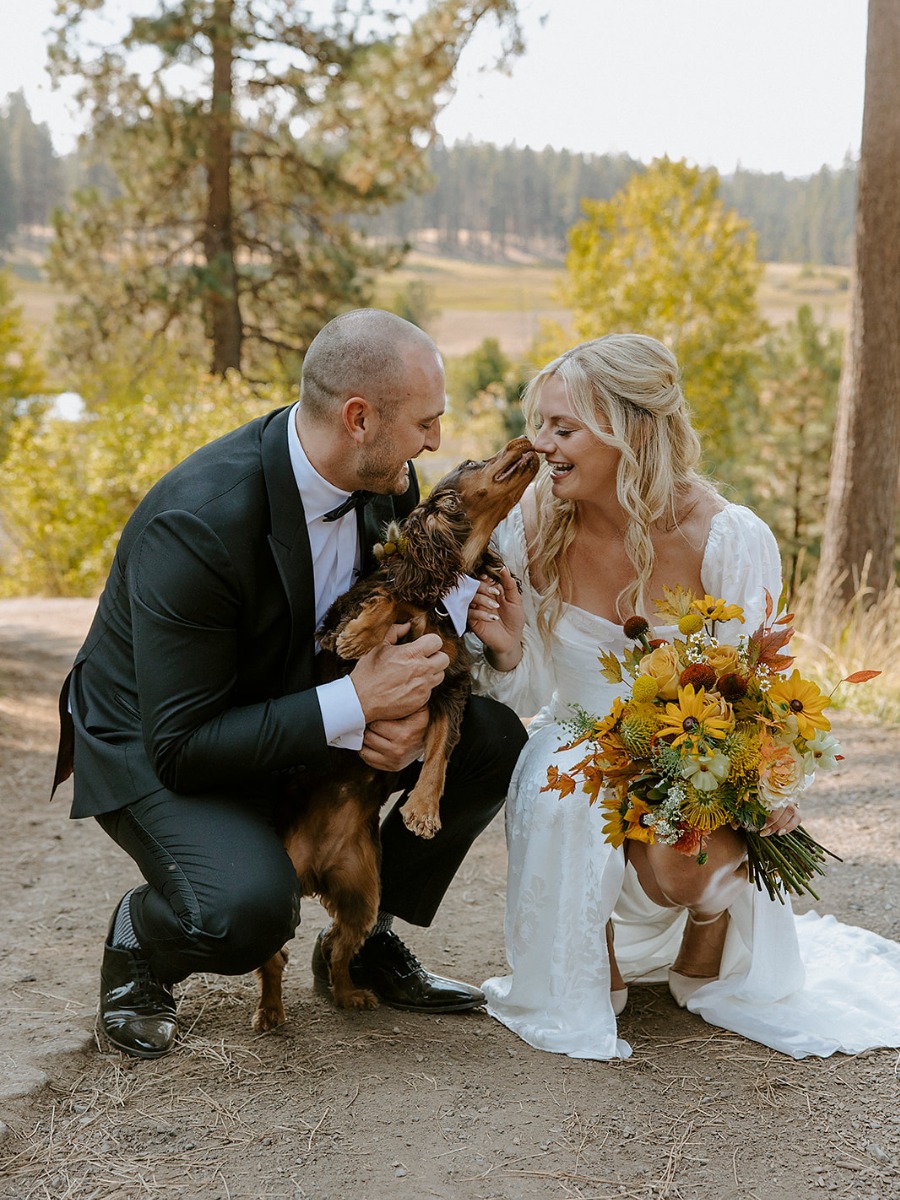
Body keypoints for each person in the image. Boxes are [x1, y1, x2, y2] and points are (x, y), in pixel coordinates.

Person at [52, 308, 527, 1060]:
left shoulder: (385, 481)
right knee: (246, 911)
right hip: (161, 738)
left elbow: (404, 615)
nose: (436, 442)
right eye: (425, 423)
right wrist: (356, 706)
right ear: (359, 418)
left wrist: (481, 649)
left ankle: (366, 938)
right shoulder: (199, 523)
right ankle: (142, 944)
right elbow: (183, 744)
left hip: (292, 710)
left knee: (493, 740)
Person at [465, 333, 900, 1060]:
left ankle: (711, 923)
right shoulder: (531, 524)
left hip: (690, 746)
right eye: (539, 423)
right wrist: (509, 645)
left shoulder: (726, 536)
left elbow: (766, 691)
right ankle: (584, 956)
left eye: (561, 428)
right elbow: (531, 689)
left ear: (630, 431)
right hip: (576, 733)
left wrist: (770, 775)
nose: (538, 445)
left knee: (680, 866)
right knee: (567, 785)